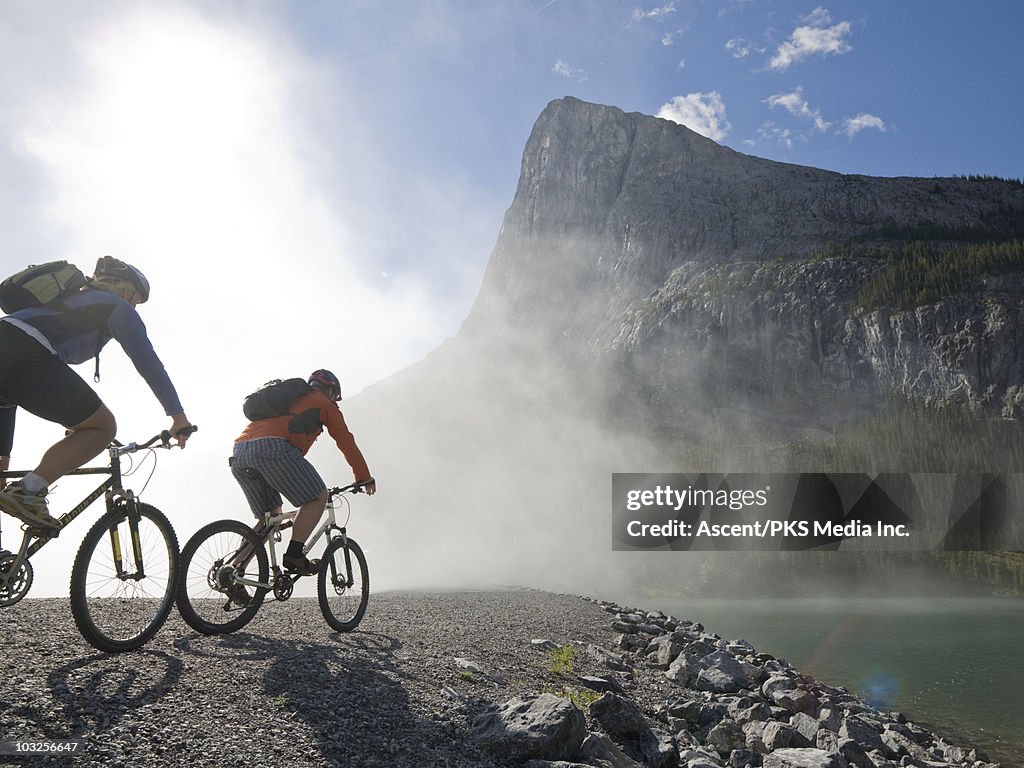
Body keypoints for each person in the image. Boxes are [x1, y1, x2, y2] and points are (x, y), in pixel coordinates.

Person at [0, 256, 194, 532]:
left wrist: (3, 455)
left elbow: (9, 389)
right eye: (136, 300)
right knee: (103, 428)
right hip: (28, 352)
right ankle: (28, 491)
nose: (134, 306)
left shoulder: (69, 303)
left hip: (10, 351)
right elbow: (148, 362)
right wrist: (178, 417)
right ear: (127, 292)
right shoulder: (117, 307)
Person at [229, 369, 375, 596]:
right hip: (272, 449)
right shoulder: (323, 403)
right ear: (330, 391)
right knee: (318, 497)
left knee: (271, 516)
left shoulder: (288, 398)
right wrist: (363, 476)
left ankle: (233, 573)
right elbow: (345, 440)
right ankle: (295, 555)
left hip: (240, 452)